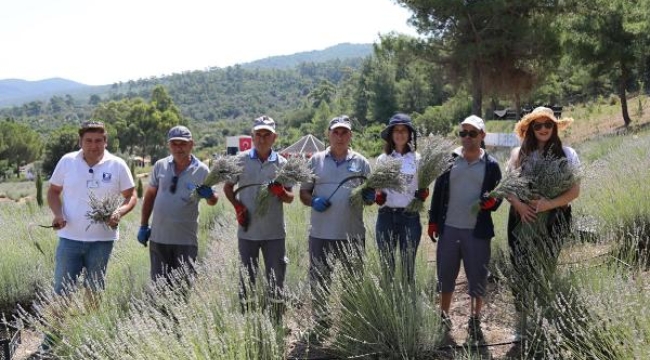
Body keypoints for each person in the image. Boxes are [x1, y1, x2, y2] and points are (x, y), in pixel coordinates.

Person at [427, 115, 502, 345]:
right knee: (446, 275)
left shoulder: (491, 165)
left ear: (482, 135)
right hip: (449, 229)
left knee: (477, 277)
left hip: (477, 232)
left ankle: (474, 318)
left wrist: (492, 203)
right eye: (463, 133)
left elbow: (498, 196)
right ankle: (444, 315)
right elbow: (439, 192)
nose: (467, 138)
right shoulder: (449, 161)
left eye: (472, 133)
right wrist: (432, 221)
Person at [299, 115, 374, 338]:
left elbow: (371, 198)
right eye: (336, 132)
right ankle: (322, 322)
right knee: (320, 281)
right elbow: (303, 193)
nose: (340, 136)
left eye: (344, 132)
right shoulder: (315, 161)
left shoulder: (361, 162)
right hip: (321, 234)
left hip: (352, 235)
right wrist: (313, 201)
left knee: (353, 282)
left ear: (350, 135)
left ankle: (350, 323)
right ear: (328, 134)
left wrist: (370, 195)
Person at [505, 106, 579, 321]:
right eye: (538, 125)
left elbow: (574, 191)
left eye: (548, 124)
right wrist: (519, 205)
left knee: (546, 266)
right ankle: (522, 320)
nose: (544, 129)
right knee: (520, 267)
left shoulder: (567, 153)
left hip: (554, 219)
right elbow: (508, 187)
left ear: (554, 127)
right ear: (531, 128)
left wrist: (549, 204)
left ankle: (543, 317)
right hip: (522, 218)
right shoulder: (518, 153)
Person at [47, 120, 137, 295]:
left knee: (95, 290)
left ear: (106, 141)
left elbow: (131, 195)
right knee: (62, 291)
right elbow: (53, 192)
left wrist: (119, 212)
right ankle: (59, 323)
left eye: (98, 140)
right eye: (88, 140)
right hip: (69, 239)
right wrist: (58, 214)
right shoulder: (67, 162)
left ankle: (89, 322)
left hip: (102, 241)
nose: (93, 145)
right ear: (80, 142)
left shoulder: (117, 165)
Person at [223, 116, 293, 320]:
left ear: (274, 137)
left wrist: (280, 192)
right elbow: (228, 187)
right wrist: (238, 207)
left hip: (274, 233)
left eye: (267, 135)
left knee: (276, 279)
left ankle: (276, 320)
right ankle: (247, 321)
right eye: (258, 135)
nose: (262, 139)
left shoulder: (283, 163)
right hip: (248, 232)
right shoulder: (240, 160)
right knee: (247, 280)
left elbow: (290, 198)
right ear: (252, 136)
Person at [138, 125, 218, 284]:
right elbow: (150, 196)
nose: (178, 148)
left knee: (183, 288)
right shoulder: (160, 165)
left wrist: (209, 195)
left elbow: (213, 200)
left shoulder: (202, 170)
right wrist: (143, 225)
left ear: (191, 144)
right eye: (174, 143)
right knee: (159, 288)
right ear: (169, 145)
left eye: (183, 143)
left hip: (185, 241)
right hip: (159, 239)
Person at [375, 113, 428, 283]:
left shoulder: (418, 159)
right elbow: (378, 187)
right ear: (391, 134)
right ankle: (389, 303)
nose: (400, 134)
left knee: (408, 266)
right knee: (387, 266)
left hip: (410, 216)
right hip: (386, 216)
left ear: (409, 134)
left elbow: (423, 186)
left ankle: (407, 304)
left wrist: (423, 194)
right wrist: (378, 196)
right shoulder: (383, 159)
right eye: (396, 130)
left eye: (404, 130)